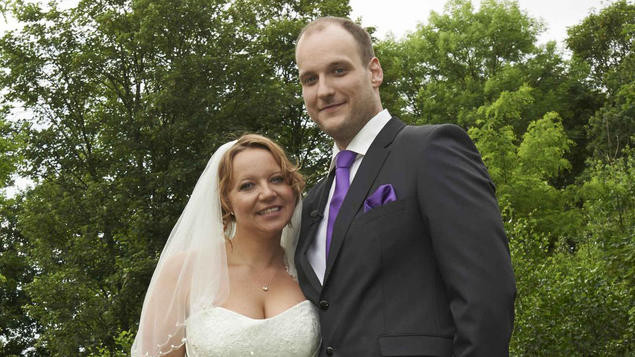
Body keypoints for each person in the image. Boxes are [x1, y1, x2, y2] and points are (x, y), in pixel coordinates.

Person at [294, 17, 516, 356]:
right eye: (310, 79)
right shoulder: (314, 202)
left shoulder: (430, 149)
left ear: (374, 72)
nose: (323, 90)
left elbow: (486, 296)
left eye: (338, 70)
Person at [131, 134, 320, 357]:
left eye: (277, 179)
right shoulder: (184, 272)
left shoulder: (311, 267)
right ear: (226, 201)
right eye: (247, 186)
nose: (268, 193)